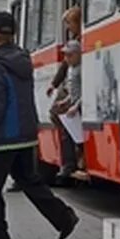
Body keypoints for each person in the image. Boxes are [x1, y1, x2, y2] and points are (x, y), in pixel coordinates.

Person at [0, 10, 78, 239]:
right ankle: (64, 217)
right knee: (30, 181)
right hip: (25, 134)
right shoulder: (21, 60)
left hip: (4, 138)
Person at [49, 40, 86, 180]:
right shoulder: (71, 69)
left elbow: (85, 90)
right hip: (73, 105)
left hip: (79, 107)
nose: (66, 59)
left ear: (78, 54)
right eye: (65, 55)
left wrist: (75, 106)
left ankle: (77, 158)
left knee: (79, 136)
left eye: (70, 55)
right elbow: (73, 91)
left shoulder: (81, 69)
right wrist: (65, 101)